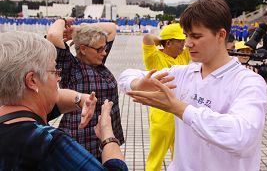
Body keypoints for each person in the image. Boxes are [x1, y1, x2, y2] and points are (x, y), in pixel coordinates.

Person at [118, 0, 267, 170]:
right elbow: (125, 77)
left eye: (196, 36)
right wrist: (139, 84)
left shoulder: (249, 82)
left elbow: (241, 136)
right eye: (186, 36)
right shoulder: (183, 73)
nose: (188, 44)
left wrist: (179, 108)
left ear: (221, 35)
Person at [0, 31, 128, 170]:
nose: (58, 78)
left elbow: (57, 98)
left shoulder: (11, 117)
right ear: (32, 80)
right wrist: (108, 135)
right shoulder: (48, 143)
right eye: (54, 71)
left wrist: (81, 99)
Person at [47, 18, 124, 161]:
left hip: (104, 137)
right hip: (80, 140)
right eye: (99, 49)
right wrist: (63, 20)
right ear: (83, 49)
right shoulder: (71, 66)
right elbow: (52, 36)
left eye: (105, 48)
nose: (104, 52)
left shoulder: (99, 63)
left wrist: (77, 30)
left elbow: (112, 28)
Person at [142, 23, 191, 171]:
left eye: (183, 41)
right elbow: (147, 38)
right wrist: (163, 40)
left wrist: (173, 40)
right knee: (157, 154)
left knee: (180, 154)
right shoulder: (155, 57)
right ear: (168, 43)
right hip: (162, 113)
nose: (184, 45)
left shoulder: (183, 55)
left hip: (180, 111)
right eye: (180, 41)